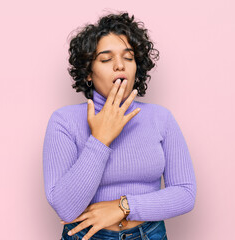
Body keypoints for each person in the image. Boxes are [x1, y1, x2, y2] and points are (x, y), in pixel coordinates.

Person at [43, 11, 197, 240]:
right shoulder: (64, 122)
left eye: (128, 57)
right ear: (88, 73)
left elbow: (185, 194)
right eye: (106, 59)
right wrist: (100, 138)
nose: (119, 66)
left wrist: (123, 206)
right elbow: (65, 208)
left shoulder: (161, 118)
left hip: (149, 234)